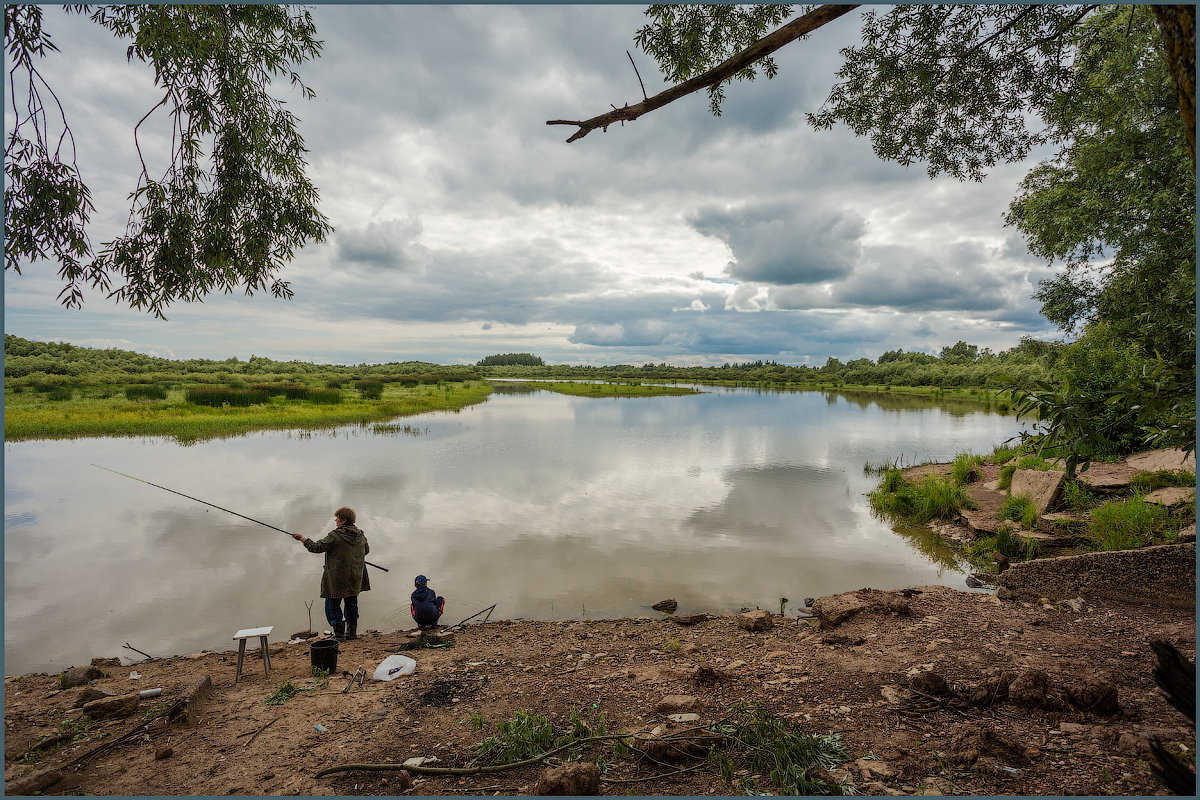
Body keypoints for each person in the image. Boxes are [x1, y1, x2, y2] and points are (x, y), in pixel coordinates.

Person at [293, 507, 369, 642]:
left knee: (332, 604)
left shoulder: (335, 535)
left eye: (338, 518)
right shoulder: (361, 535)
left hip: (337, 579)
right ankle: (351, 633)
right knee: (351, 603)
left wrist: (302, 538)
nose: (336, 520)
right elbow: (366, 551)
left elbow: (316, 547)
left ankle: (339, 634)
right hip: (355, 577)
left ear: (344, 519)